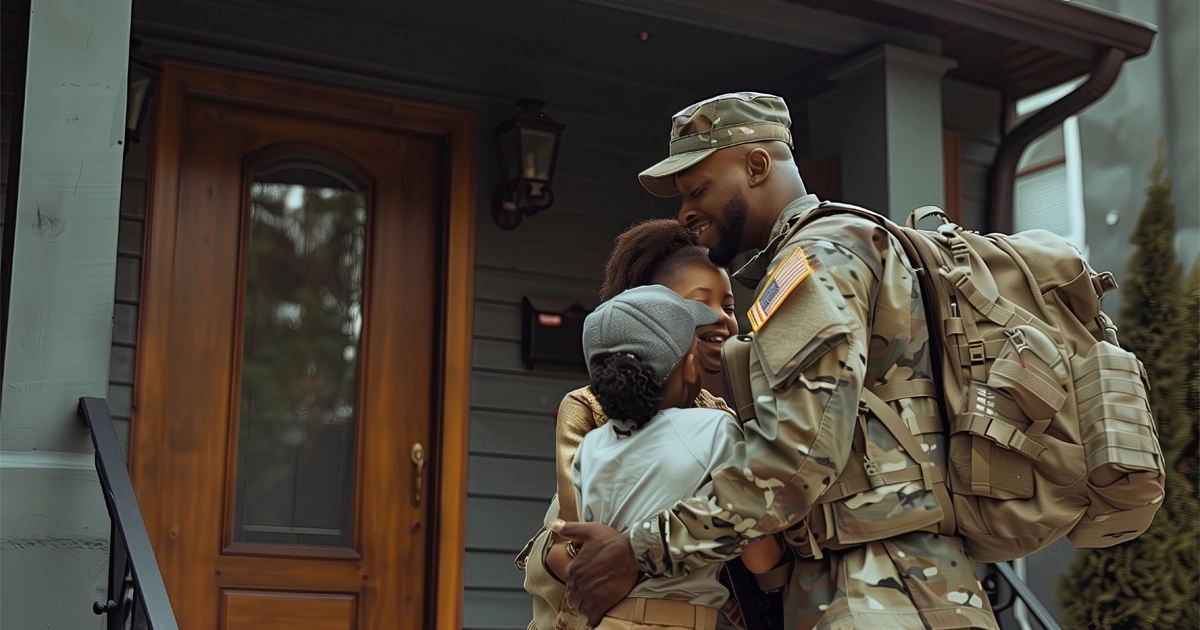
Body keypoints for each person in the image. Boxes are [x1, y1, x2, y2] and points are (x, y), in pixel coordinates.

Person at [557, 92, 1001, 630]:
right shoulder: (839, 246)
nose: (685, 211)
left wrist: (640, 549)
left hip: (878, 587)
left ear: (757, 165)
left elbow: (798, 453)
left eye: (697, 189)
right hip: (889, 577)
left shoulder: (811, 261)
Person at [517, 220, 753, 630]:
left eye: (729, 306)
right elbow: (555, 549)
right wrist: (584, 559)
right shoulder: (600, 417)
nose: (722, 319)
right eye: (696, 305)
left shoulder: (729, 417)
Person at [544, 285, 784, 630]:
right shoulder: (715, 429)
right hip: (673, 620)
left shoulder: (592, 447)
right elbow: (761, 559)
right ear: (689, 367)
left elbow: (579, 547)